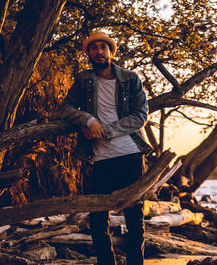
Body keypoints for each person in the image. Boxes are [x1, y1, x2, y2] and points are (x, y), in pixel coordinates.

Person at [61, 31, 152, 265]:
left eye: (103, 47)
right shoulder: (83, 79)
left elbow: (141, 116)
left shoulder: (130, 78)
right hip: (98, 156)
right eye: (93, 48)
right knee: (98, 217)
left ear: (111, 52)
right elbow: (66, 108)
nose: (98, 51)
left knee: (134, 216)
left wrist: (108, 130)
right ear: (88, 53)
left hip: (130, 153)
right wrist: (88, 120)